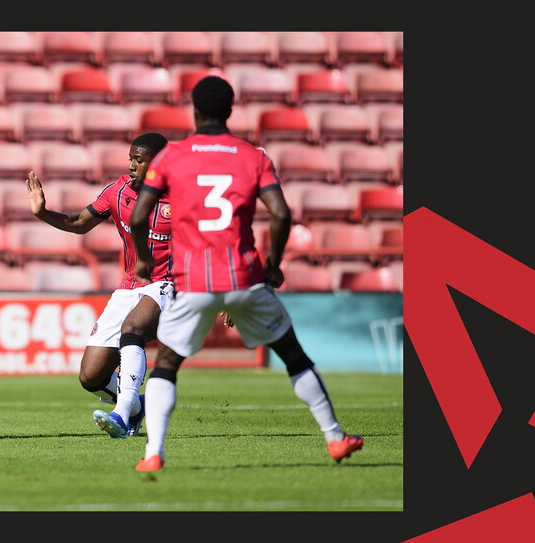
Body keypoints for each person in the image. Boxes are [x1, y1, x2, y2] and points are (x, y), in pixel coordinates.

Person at [128, 76, 363, 471]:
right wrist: (274, 265)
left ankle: (154, 453)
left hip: (192, 281)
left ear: (195, 112)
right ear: (230, 111)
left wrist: (142, 260)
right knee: (294, 357)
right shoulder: (253, 157)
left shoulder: (170, 157)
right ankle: (335, 438)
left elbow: (138, 217)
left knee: (166, 363)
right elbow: (281, 214)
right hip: (245, 277)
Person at [26, 132, 174, 438]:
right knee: (91, 376)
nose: (131, 165)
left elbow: (213, 243)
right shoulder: (118, 192)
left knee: (132, 329)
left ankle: (121, 415)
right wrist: (42, 213)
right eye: (130, 158)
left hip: (170, 284)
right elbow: (79, 222)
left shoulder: (183, 198)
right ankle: (137, 407)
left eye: (139, 160)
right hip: (130, 285)